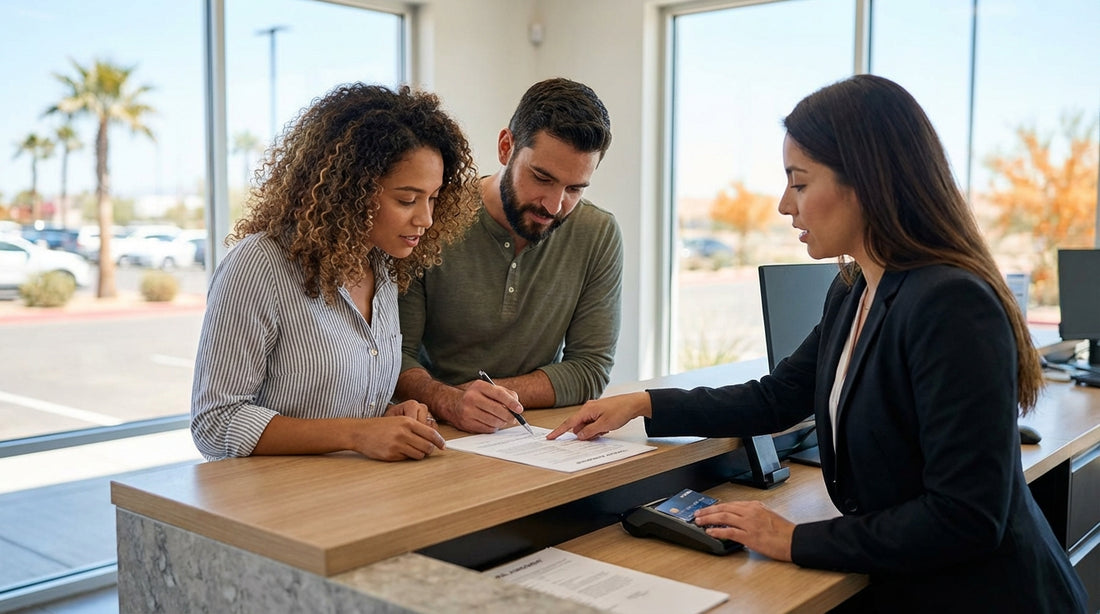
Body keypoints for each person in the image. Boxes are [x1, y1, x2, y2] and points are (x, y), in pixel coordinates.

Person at [548, 75, 1088, 613]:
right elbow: (776, 397)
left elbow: (966, 517)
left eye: (799, 183)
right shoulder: (853, 288)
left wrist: (793, 539)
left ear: (868, 182)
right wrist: (643, 404)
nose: (786, 205)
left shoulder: (950, 303)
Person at [191, 83, 479, 462]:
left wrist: (391, 414)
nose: (425, 218)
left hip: (354, 496)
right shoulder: (259, 265)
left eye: (433, 198)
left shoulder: (383, 268)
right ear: (350, 189)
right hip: (274, 504)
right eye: (406, 199)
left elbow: (343, 403)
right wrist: (357, 433)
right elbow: (215, 423)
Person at [394, 77, 623, 434]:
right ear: (506, 147)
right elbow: (395, 355)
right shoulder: (430, 217)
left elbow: (590, 368)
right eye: (542, 178)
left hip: (533, 434)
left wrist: (491, 397)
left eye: (575, 188)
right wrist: (447, 401)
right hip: (436, 431)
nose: (554, 205)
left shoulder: (598, 233)